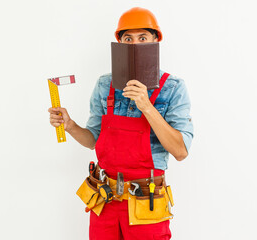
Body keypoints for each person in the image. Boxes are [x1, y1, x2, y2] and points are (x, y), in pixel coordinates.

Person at [48, 7, 193, 240]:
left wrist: (146, 106)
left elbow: (180, 151)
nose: (135, 44)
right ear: (120, 43)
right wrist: (71, 125)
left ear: (156, 41)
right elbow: (93, 139)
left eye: (143, 38)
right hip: (104, 200)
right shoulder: (105, 85)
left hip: (147, 202)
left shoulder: (173, 88)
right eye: (128, 38)